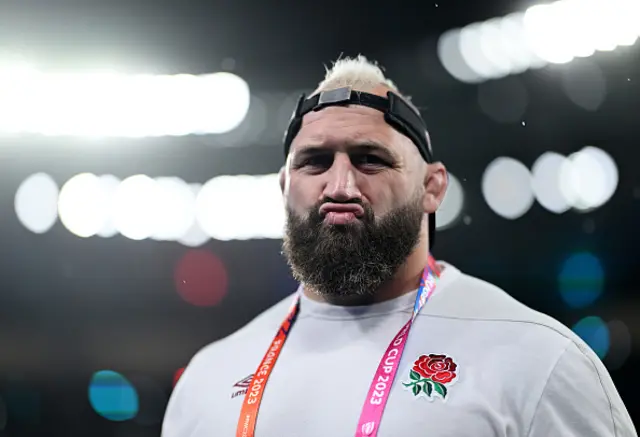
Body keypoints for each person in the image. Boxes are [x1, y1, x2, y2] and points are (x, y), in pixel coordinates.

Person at [162, 55, 636, 437]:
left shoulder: (538, 361)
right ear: (285, 184)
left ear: (433, 187)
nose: (340, 185)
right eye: (315, 162)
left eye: (370, 160)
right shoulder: (211, 377)